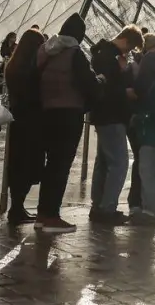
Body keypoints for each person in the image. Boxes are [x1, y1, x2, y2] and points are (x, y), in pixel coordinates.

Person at [36, 14, 98, 234]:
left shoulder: (47, 51)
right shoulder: (75, 55)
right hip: (69, 114)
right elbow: (89, 84)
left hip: (47, 113)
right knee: (61, 166)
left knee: (51, 165)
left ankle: (42, 215)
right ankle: (52, 216)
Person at [89, 25, 142, 225]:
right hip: (112, 115)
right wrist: (124, 80)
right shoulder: (110, 58)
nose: (127, 53)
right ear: (127, 41)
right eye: (130, 48)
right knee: (119, 163)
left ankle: (98, 206)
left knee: (103, 163)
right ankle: (107, 208)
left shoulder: (101, 53)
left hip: (103, 116)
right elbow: (109, 88)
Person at [2, 28, 46, 224]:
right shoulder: (30, 70)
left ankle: (16, 207)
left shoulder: (13, 66)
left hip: (18, 121)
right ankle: (17, 209)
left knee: (19, 166)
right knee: (28, 166)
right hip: (32, 123)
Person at [130, 34, 155, 226]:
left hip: (148, 124)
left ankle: (150, 210)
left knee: (146, 168)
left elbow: (139, 89)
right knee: (154, 168)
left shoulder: (147, 64)